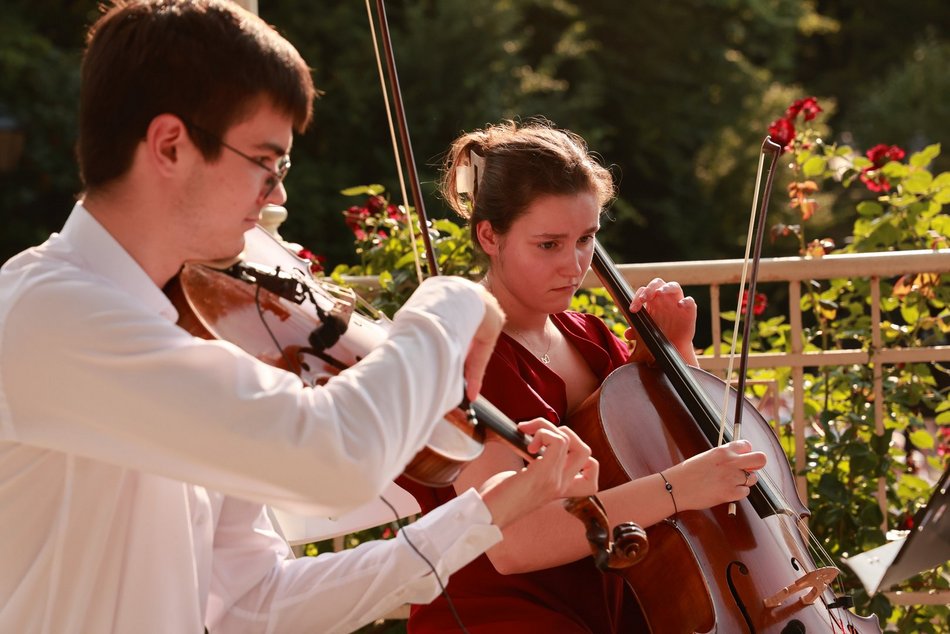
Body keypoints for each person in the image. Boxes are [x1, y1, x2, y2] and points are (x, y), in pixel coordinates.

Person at [0, 4, 601, 633]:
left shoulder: (190, 323)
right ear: (171, 145)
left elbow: (253, 604)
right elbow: (333, 459)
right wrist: (449, 303)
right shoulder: (47, 313)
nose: (278, 196)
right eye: (267, 163)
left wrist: (483, 515)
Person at [402, 119, 769, 632]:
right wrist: (677, 490)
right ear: (490, 236)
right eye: (549, 244)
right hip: (502, 618)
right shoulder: (463, 352)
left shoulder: (590, 337)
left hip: (616, 609)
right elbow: (513, 543)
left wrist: (678, 351)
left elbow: (673, 449)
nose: (575, 266)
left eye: (587, 239)